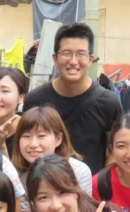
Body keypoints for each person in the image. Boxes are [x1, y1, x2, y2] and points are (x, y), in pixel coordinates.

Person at [23, 22, 122, 174]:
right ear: (55, 58)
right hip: (44, 185)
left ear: (90, 59)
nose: (73, 61)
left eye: (81, 54)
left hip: (90, 187)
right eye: (66, 53)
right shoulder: (35, 100)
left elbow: (117, 148)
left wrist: (100, 182)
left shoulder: (108, 102)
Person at [13, 105, 93, 212]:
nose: (33, 144)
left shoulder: (79, 171)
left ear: (58, 139)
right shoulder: (16, 175)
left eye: (41, 136)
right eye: (26, 136)